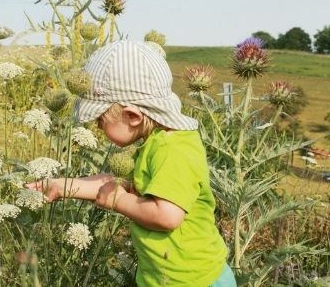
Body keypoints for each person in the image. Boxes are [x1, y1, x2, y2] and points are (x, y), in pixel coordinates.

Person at [25, 41, 235, 286]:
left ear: (133, 116)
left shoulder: (173, 150)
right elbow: (115, 184)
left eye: (101, 121)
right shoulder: (156, 142)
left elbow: (166, 215)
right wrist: (62, 186)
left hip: (195, 280)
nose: (97, 127)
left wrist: (118, 201)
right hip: (163, 278)